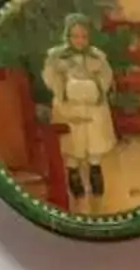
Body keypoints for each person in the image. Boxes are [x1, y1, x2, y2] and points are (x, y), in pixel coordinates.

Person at [43, 13, 120, 208]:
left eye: (83, 37)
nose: (79, 41)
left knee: (94, 140)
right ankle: (74, 174)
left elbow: (106, 76)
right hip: (70, 105)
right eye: (75, 36)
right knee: (73, 142)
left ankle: (95, 171)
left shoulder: (97, 57)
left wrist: (98, 89)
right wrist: (62, 92)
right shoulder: (57, 57)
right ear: (67, 36)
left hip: (93, 107)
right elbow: (51, 77)